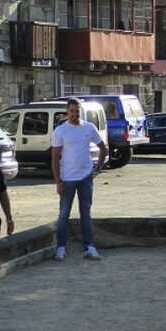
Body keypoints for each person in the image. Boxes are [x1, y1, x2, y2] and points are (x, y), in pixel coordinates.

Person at [52, 98, 106, 261]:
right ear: (67, 112)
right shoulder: (60, 131)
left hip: (85, 177)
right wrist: (58, 181)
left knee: (86, 213)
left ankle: (89, 246)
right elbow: (55, 157)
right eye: (72, 111)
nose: (75, 114)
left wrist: (98, 167)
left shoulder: (89, 127)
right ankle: (61, 247)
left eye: (78, 111)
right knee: (63, 214)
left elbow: (102, 147)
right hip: (67, 178)